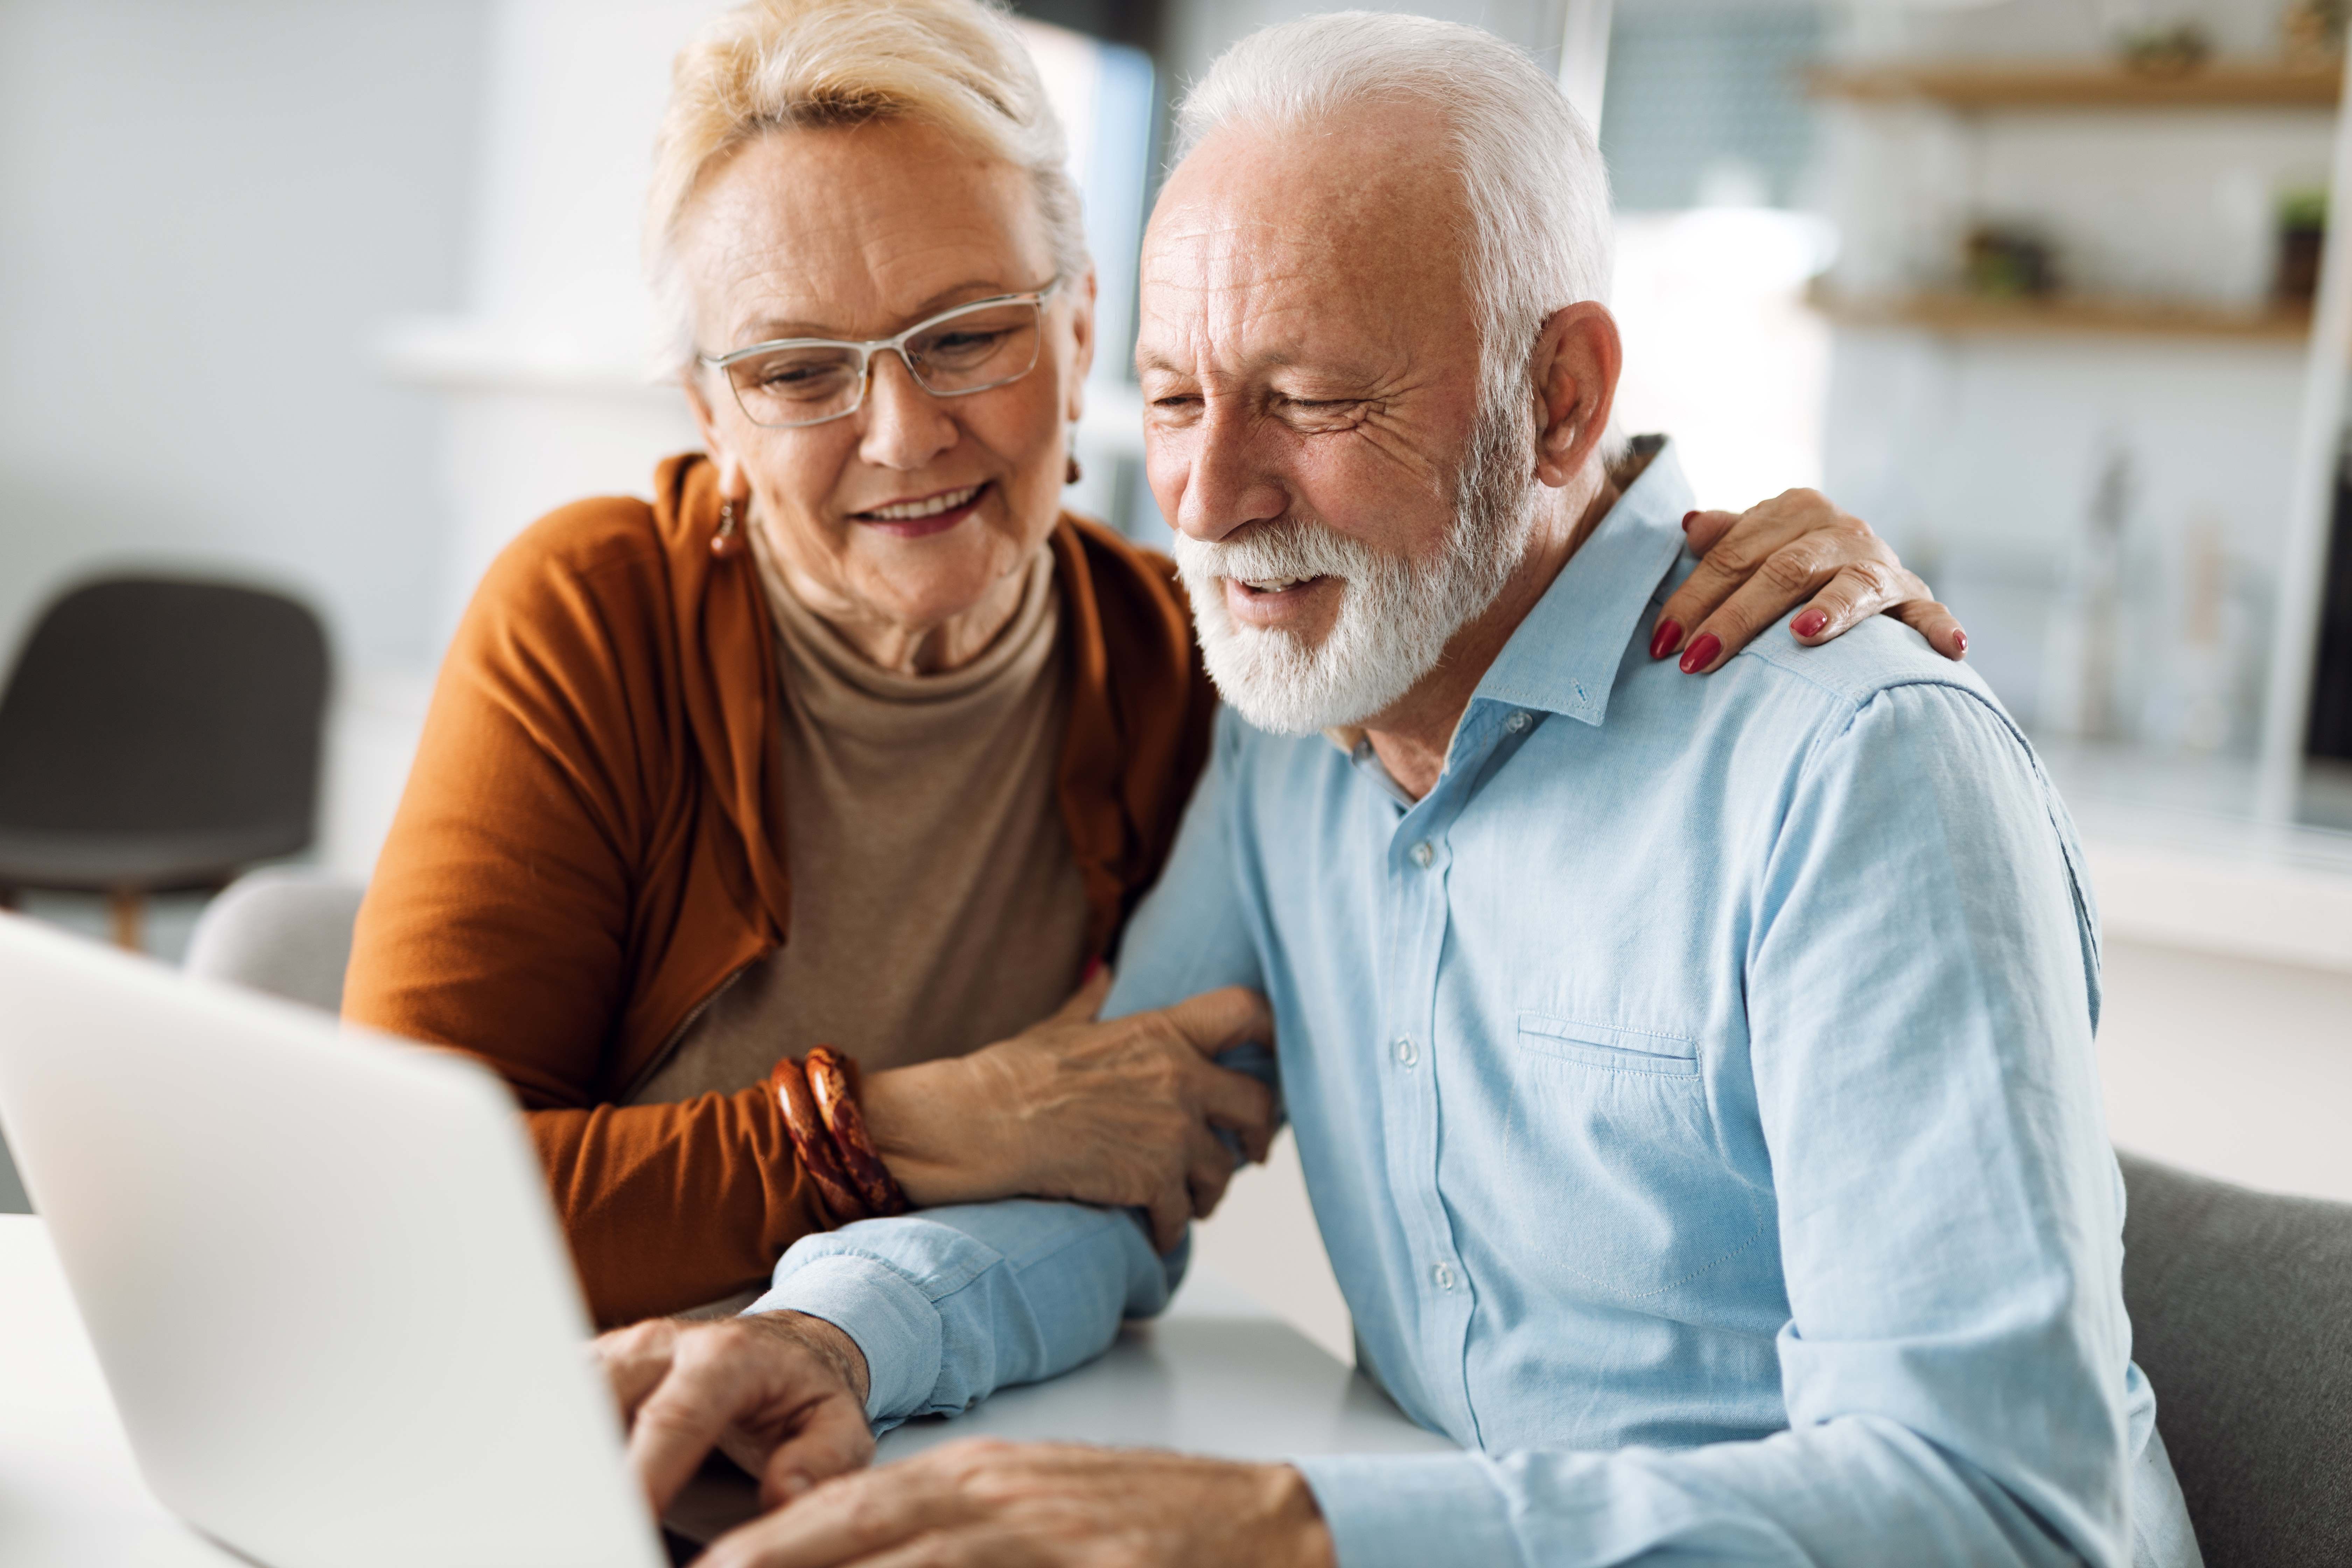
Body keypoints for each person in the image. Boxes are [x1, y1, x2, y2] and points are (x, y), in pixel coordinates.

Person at [592, 13, 2203, 1568]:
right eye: (1172, 396)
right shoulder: (1300, 721)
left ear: (1558, 398)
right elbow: (1118, 1168)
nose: (1211, 499)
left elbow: (1995, 1511)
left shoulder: (1858, 768)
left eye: (1310, 397)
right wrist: (835, 1334)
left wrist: (1287, 1531)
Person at [346, 0, 1960, 1329]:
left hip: (902, 1421)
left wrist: (1770, 553)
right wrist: (929, 1123)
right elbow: (395, 1215)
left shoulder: (1201, 662)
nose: (903, 433)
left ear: (1076, 330)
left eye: (964, 333)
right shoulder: (596, 615)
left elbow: (1462, 572)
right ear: (711, 413)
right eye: (797, 370)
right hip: (557, 1409)